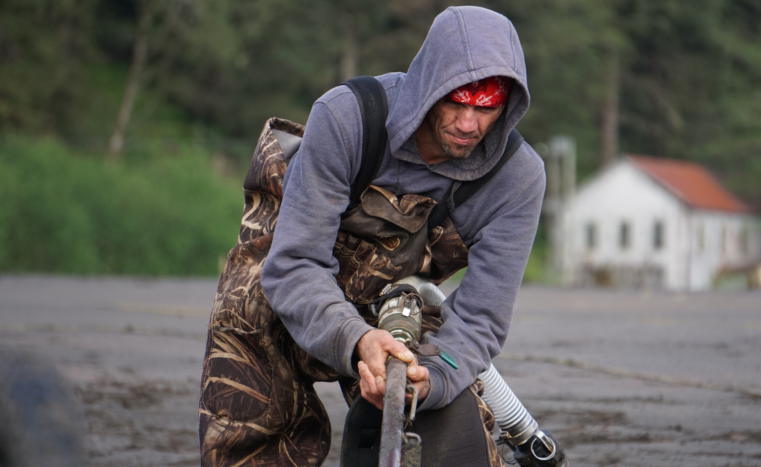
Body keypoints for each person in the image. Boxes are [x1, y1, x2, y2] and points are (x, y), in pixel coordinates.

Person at [199, 5, 545, 466]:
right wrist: (356, 339)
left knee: (453, 434)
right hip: (285, 290)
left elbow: (481, 318)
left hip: (397, 308)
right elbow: (294, 264)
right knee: (247, 331)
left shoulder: (517, 179)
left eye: (486, 108)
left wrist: (433, 378)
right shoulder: (347, 118)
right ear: (429, 87)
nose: (469, 125)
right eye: (456, 102)